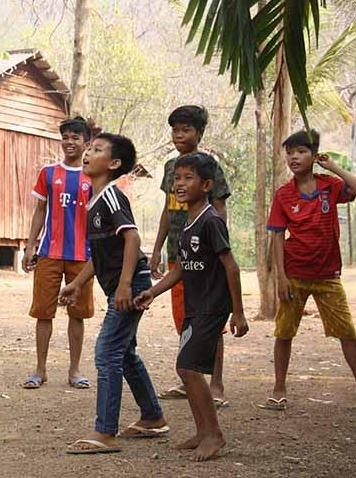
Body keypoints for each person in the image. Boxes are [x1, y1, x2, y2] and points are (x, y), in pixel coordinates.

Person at [135, 153, 248, 462]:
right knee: (187, 369)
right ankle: (202, 431)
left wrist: (237, 312)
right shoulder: (186, 223)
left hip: (212, 307)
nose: (179, 184)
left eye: (187, 178)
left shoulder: (212, 221)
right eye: (176, 178)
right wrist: (152, 293)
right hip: (194, 306)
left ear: (207, 184)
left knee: (187, 368)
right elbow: (180, 269)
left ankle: (214, 435)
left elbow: (232, 268)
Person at [60, 133, 169, 454]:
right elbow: (103, 253)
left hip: (130, 285)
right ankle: (152, 417)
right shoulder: (95, 200)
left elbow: (132, 239)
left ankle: (105, 433)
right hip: (122, 285)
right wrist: (78, 282)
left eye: (96, 150)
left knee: (106, 352)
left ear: (114, 163)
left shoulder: (111, 196)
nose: (87, 153)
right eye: (89, 148)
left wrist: (124, 285)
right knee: (124, 352)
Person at [261, 129, 356, 414]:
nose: (293, 157)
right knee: (284, 333)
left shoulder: (329, 186)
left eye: (301, 151)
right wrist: (280, 279)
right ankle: (279, 389)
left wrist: (332, 166)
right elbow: (276, 237)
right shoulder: (283, 195)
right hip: (295, 275)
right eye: (290, 152)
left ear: (314, 155)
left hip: (328, 277)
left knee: (347, 333)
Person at [149, 105, 231, 405]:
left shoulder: (210, 166)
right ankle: (191, 378)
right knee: (185, 318)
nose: (179, 135)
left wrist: (218, 245)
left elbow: (220, 208)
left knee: (210, 319)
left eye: (186, 129)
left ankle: (217, 384)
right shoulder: (171, 167)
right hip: (176, 253)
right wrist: (156, 248)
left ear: (199, 133)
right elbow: (167, 210)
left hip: (205, 256)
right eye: (175, 129)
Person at [22, 116, 95, 389]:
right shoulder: (48, 173)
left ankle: (75, 371)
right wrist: (30, 246)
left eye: (75, 137)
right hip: (49, 253)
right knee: (43, 312)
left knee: (77, 314)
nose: (69, 142)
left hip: (83, 256)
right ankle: (40, 370)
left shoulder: (93, 176)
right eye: (65, 137)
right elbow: (39, 210)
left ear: (86, 143)